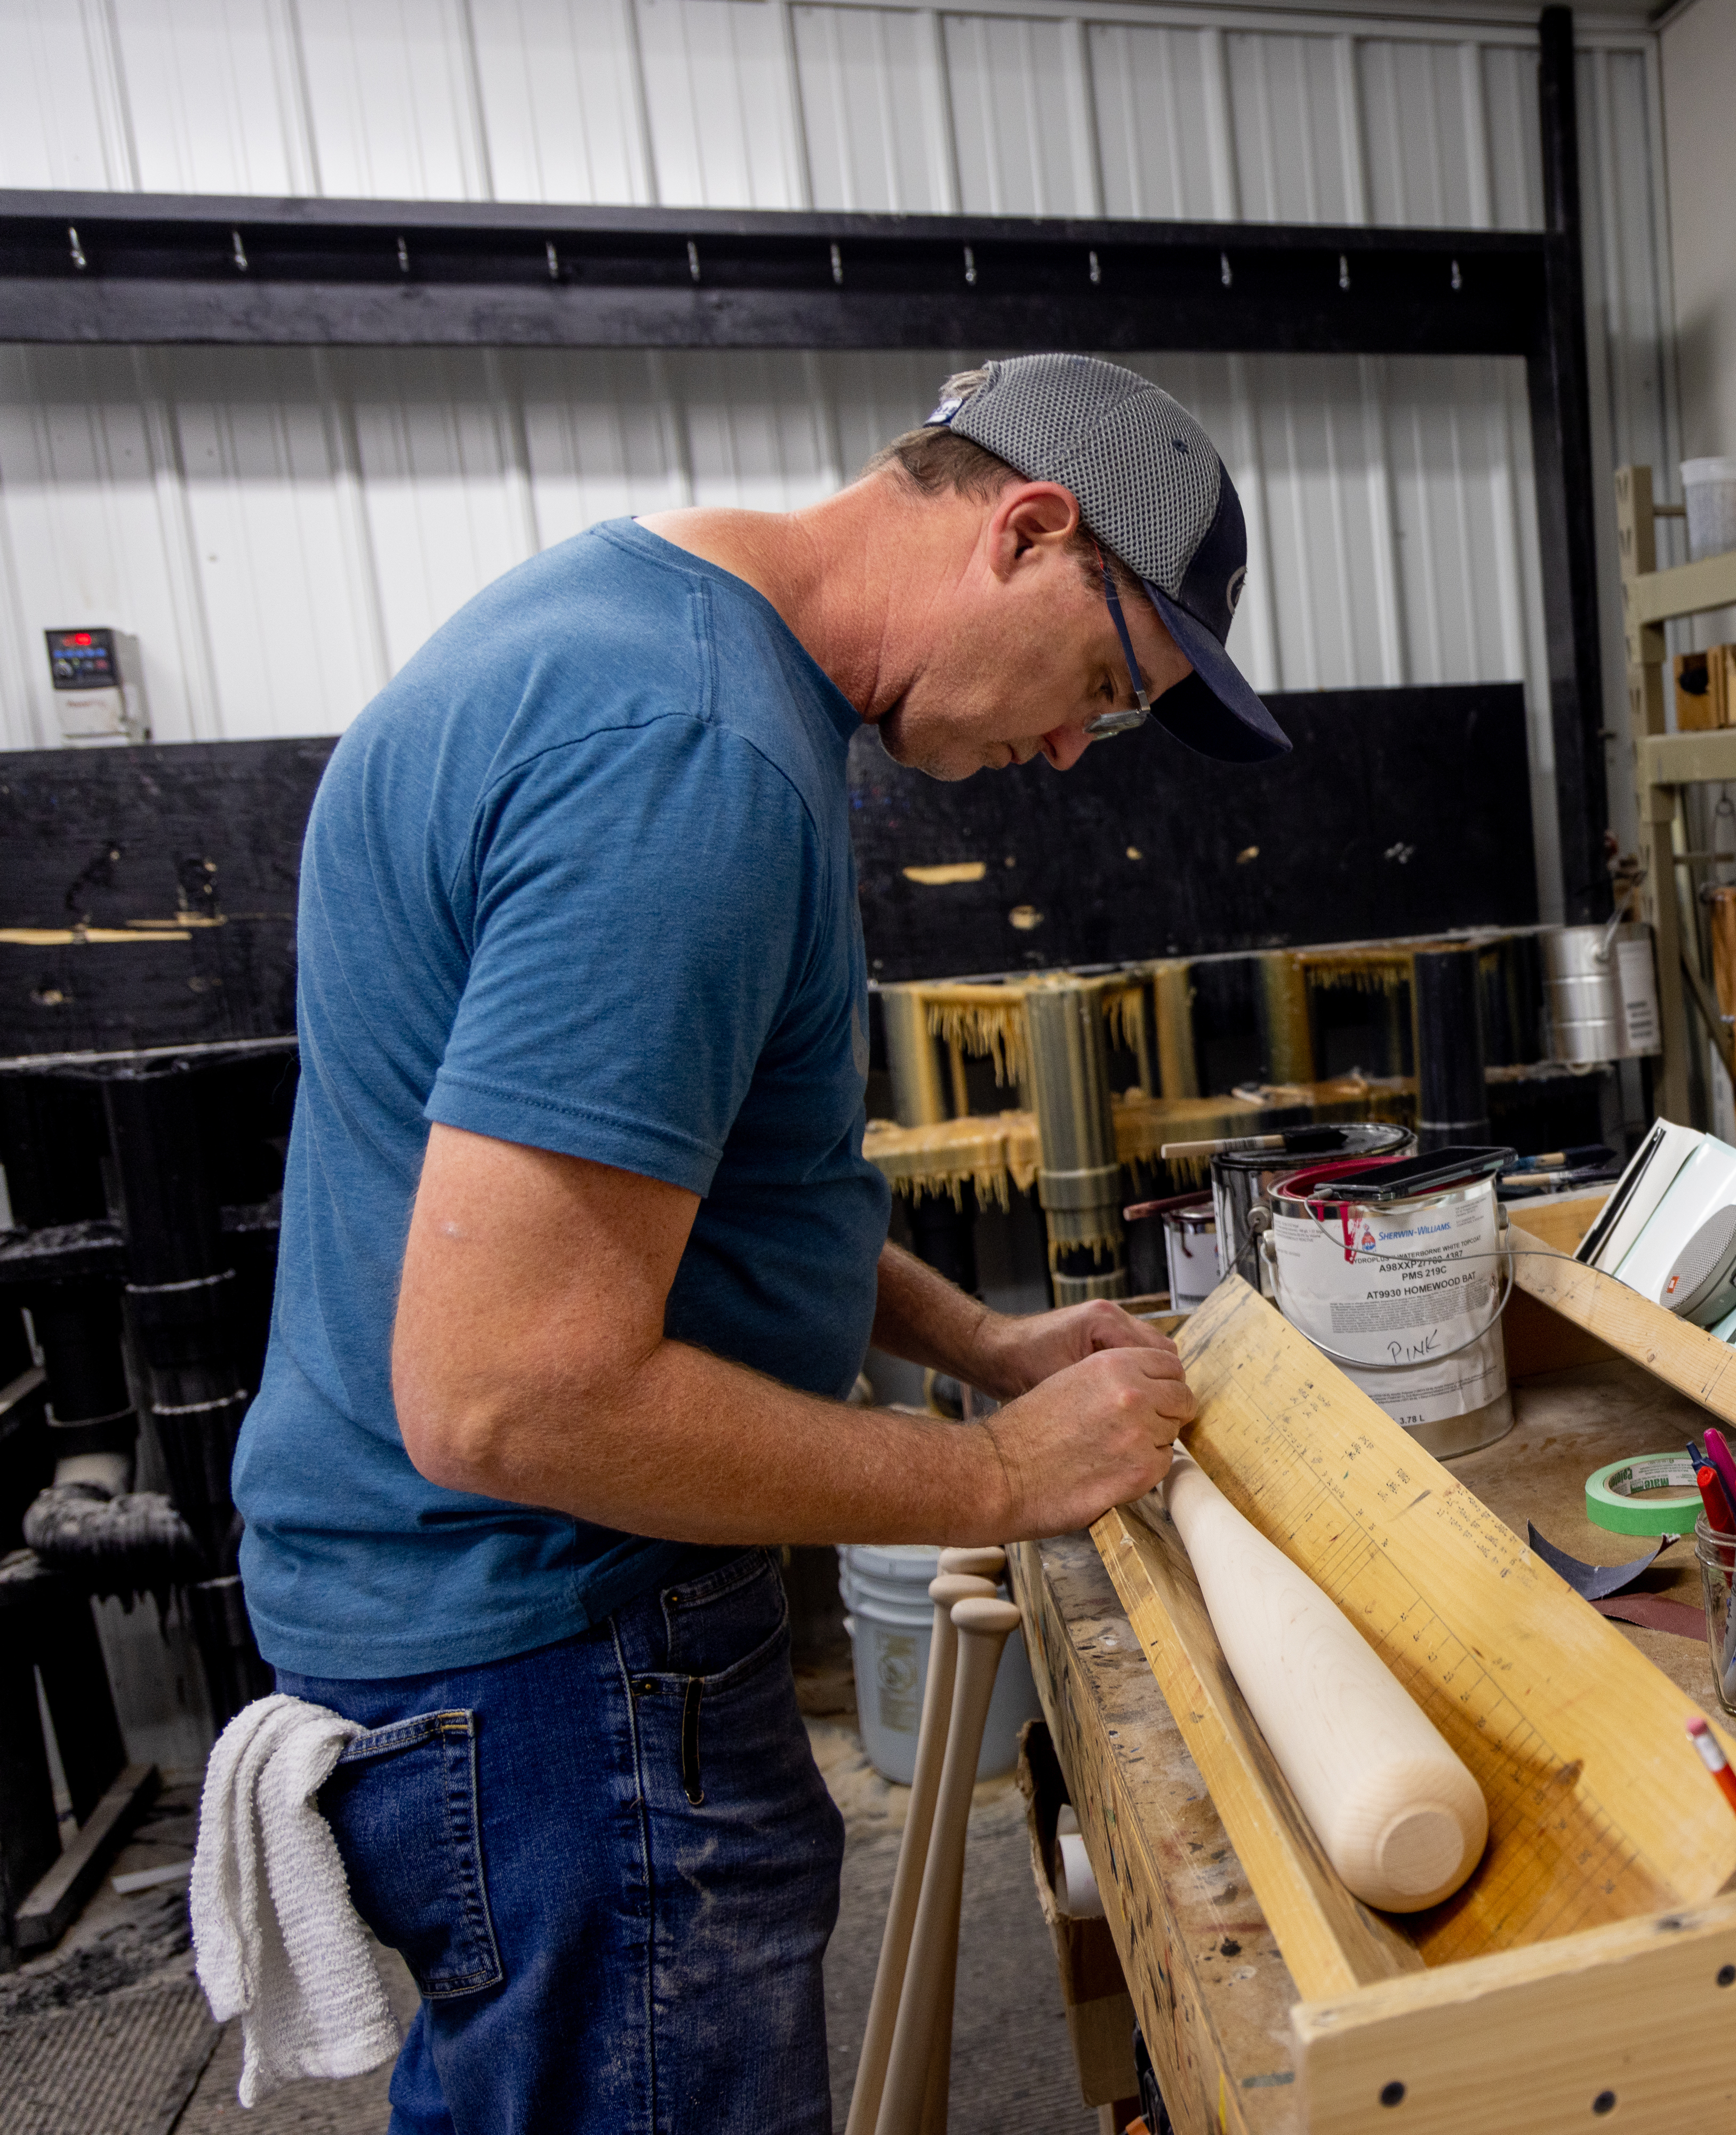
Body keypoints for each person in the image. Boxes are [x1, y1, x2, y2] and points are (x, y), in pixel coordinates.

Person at [231, 356, 1287, 2131]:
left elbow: (683, 1192)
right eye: (1105, 689)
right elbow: (506, 1395)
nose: (1062, 751)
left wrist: (984, 1346)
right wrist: (997, 1476)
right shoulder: (689, 760)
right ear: (1030, 530)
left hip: (503, 1647)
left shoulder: (639, 639)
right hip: (556, 1661)